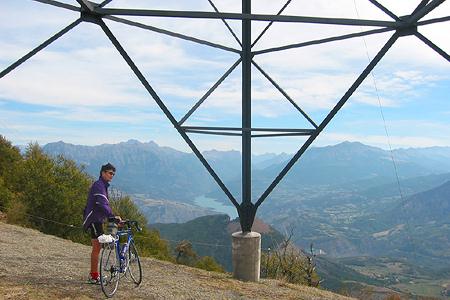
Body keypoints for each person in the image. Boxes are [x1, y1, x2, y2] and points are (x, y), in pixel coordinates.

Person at [83, 163, 121, 284]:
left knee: (97, 248)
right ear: (103, 173)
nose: (112, 176)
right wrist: (112, 217)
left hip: (96, 220)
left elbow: (103, 205)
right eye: (110, 173)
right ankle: (94, 277)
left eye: (113, 174)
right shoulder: (99, 185)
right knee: (97, 248)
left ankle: (93, 275)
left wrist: (111, 218)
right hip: (94, 220)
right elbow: (102, 204)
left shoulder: (102, 185)